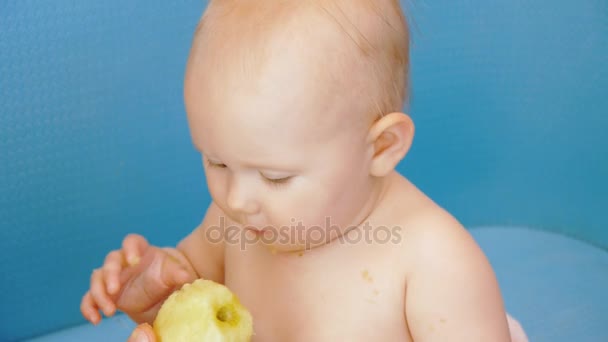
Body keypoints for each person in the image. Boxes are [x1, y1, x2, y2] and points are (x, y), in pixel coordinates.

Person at [81, 0, 528, 341]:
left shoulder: (433, 262)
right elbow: (192, 282)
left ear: (381, 147)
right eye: (216, 161)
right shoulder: (240, 221)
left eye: (275, 177)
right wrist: (154, 291)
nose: (235, 199)